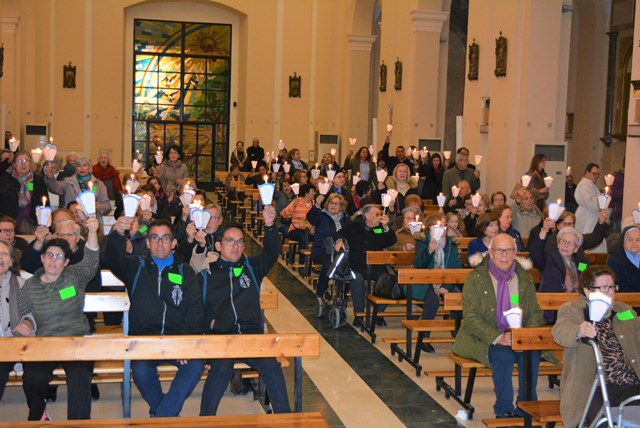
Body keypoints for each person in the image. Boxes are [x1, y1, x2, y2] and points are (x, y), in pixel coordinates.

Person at [104, 217, 205, 417]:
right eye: (155, 238)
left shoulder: (186, 272)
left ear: (174, 243)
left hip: (177, 337)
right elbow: (110, 258)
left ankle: (161, 415)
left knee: (196, 365)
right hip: (144, 339)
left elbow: (195, 309)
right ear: (148, 243)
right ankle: (166, 415)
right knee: (140, 370)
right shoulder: (136, 266)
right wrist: (116, 233)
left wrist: (184, 341)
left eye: (165, 238)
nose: (160, 243)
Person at [198, 205, 291, 415]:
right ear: (219, 246)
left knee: (272, 366)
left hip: (251, 338)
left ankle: (285, 418)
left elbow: (271, 252)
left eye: (240, 242)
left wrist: (269, 227)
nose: (236, 246)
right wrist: (211, 324)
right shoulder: (207, 275)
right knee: (221, 370)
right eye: (230, 241)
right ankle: (205, 419)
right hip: (221, 339)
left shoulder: (252, 267)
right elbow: (196, 310)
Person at [451, 233, 544, 418]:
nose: (504, 255)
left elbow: (535, 312)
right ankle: (504, 409)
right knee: (504, 357)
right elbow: (470, 317)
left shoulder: (523, 278)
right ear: (490, 253)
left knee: (531, 355)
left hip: (519, 336)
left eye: (509, 250)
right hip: (485, 337)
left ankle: (526, 406)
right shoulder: (476, 278)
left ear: (515, 252)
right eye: (499, 251)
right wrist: (498, 337)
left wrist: (523, 336)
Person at [18, 215, 100, 421]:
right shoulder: (30, 286)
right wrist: (27, 322)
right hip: (45, 341)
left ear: (66, 262)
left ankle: (78, 423)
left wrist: (91, 232)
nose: (53, 260)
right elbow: (24, 314)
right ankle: (38, 416)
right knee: (33, 377)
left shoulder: (74, 276)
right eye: (49, 255)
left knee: (80, 375)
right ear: (42, 258)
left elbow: (91, 261)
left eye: (59, 257)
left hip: (76, 339)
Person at [552, 265, 640, 427]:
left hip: (627, 383)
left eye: (612, 287)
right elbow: (559, 332)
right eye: (603, 287)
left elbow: (637, 328)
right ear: (587, 291)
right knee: (604, 424)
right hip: (591, 386)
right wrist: (578, 331)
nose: (610, 292)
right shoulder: (572, 310)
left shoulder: (623, 310)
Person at [333, 204, 397, 326]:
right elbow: (338, 234)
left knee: (387, 280)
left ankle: (378, 315)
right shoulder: (353, 226)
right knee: (357, 279)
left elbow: (392, 241)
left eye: (380, 214)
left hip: (376, 267)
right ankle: (359, 314)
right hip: (357, 265)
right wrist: (339, 240)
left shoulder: (381, 229)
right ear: (367, 215)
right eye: (377, 214)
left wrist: (386, 227)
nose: (380, 217)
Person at [414, 213, 461, 353]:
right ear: (429, 229)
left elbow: (456, 268)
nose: (442, 228)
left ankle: (460, 337)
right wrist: (429, 250)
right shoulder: (422, 241)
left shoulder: (451, 244)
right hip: (426, 283)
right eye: (437, 226)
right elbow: (418, 264)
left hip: (447, 282)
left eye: (444, 225)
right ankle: (424, 337)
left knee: (461, 299)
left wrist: (447, 286)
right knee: (433, 300)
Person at [0, 240, 35, 401]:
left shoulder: (22, 284)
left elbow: (34, 311)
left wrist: (28, 322)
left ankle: (38, 416)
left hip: (13, 343)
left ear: (11, 261)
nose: (0, 258)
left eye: (4, 254)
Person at [307, 193, 349, 316]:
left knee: (350, 267)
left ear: (341, 207)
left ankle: (342, 295)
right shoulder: (322, 215)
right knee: (329, 264)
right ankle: (320, 292)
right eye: (331, 203)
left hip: (341, 251)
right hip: (322, 250)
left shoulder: (346, 218)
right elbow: (311, 218)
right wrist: (316, 205)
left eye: (337, 204)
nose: (333, 206)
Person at [43, 155, 111, 223]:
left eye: (84, 165)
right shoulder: (68, 182)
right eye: (79, 166)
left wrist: (99, 207)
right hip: (73, 222)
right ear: (76, 168)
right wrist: (50, 177)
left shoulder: (98, 184)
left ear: (90, 168)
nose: (82, 168)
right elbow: (55, 188)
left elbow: (107, 206)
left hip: (92, 222)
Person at [0, 151, 49, 234]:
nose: (23, 164)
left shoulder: (37, 181)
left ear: (30, 163)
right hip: (10, 222)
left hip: (32, 222)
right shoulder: (5, 180)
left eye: (26, 160)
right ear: (14, 164)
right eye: (20, 161)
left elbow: (44, 202)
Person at [574, 162, 607, 253]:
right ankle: (583, 266)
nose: (596, 176)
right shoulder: (584, 185)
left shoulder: (590, 185)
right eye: (594, 174)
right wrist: (602, 198)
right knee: (586, 243)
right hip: (586, 216)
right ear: (587, 172)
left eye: (598, 174)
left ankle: (595, 262)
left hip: (592, 216)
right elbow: (590, 203)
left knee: (595, 239)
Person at [280, 183, 315, 263]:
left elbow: (317, 219)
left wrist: (314, 227)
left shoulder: (314, 204)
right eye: (312, 191)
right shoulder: (297, 201)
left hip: (309, 230)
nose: (314, 193)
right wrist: (293, 206)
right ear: (307, 193)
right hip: (295, 230)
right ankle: (302, 263)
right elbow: (284, 214)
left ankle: (314, 262)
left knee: (319, 237)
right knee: (302, 238)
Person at [607, 226, 640, 292]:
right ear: (623, 241)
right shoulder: (614, 261)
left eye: (638, 240)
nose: (634, 243)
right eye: (630, 240)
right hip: (625, 299)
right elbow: (618, 286)